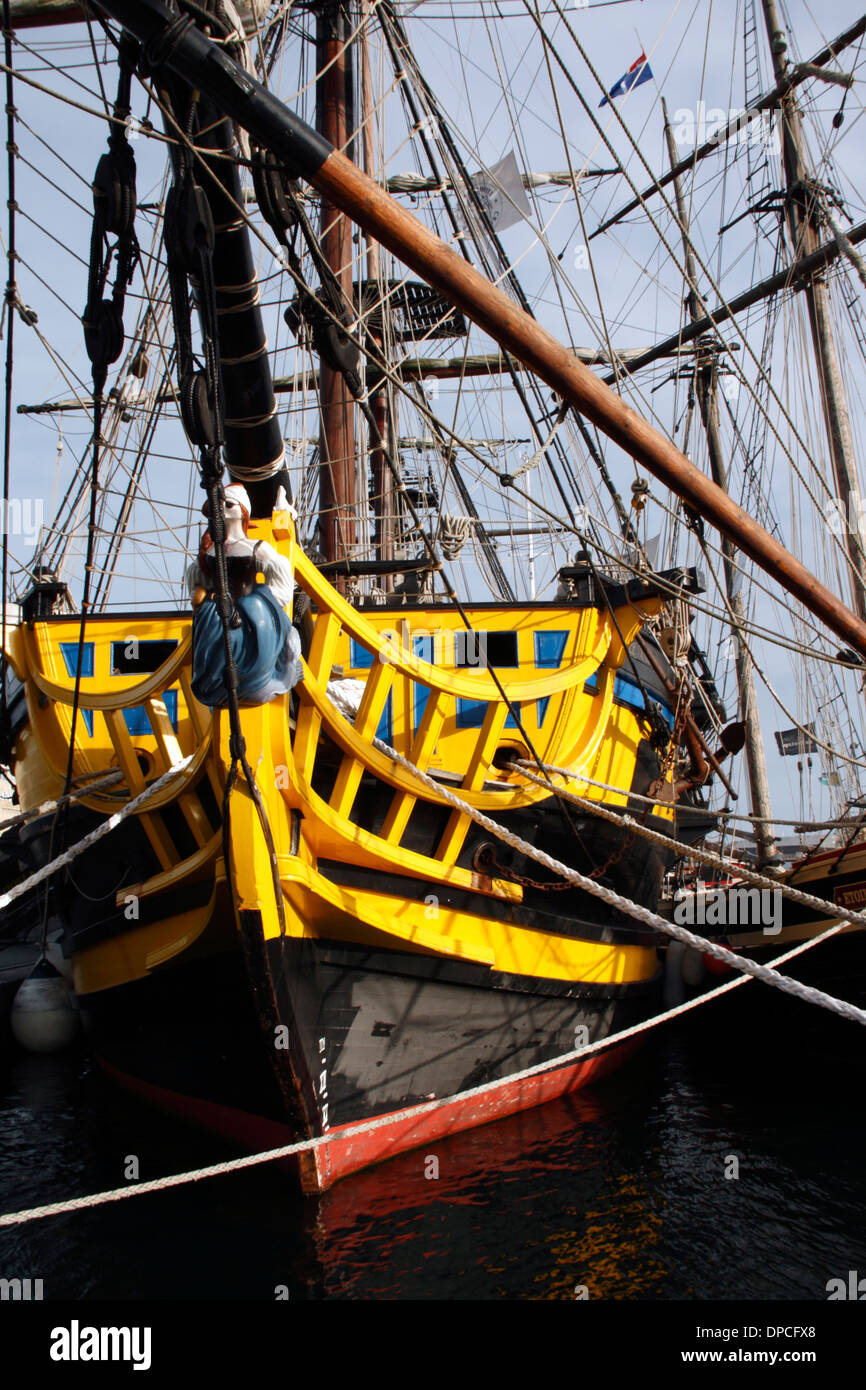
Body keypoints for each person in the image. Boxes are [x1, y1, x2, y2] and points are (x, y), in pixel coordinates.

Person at [186, 482, 302, 707]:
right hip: (217, 613)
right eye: (218, 507)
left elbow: (281, 574)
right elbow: (197, 578)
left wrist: (271, 600)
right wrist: (201, 598)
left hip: (249, 613)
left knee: (256, 635)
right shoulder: (210, 551)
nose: (223, 510)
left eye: (229, 505)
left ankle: (256, 680)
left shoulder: (256, 548)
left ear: (243, 511)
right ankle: (219, 682)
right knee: (213, 652)